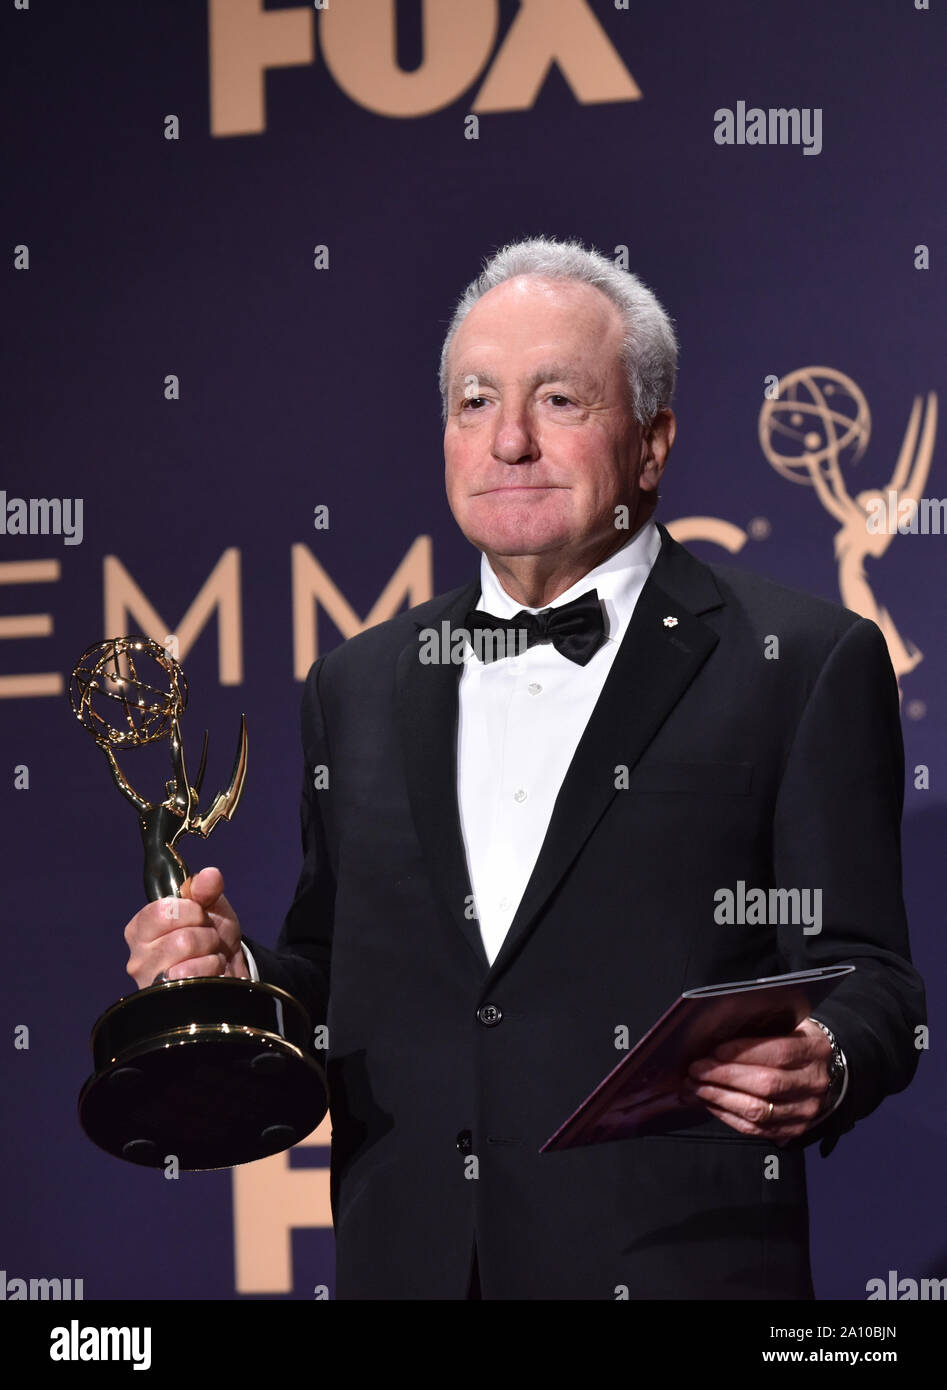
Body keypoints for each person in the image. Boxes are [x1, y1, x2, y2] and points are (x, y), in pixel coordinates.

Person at [123, 237, 925, 1300]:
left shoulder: (801, 660)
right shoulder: (353, 684)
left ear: (651, 442)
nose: (507, 440)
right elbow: (336, 977)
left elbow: (873, 976)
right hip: (405, 1268)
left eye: (557, 399)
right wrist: (244, 986)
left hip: (673, 1269)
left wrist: (829, 1051)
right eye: (472, 402)